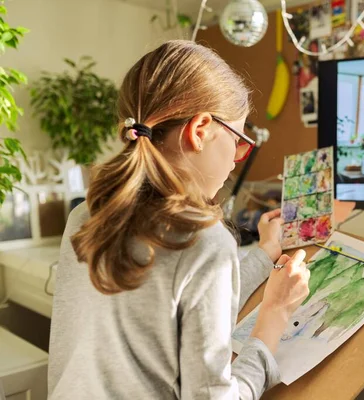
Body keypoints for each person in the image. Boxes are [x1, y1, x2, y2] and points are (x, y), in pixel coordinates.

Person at [47, 40, 310, 399]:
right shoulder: (201, 238)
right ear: (200, 129)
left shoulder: (87, 215)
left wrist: (265, 252)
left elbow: (182, 297)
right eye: (238, 141)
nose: (237, 158)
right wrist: (274, 317)